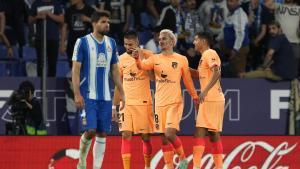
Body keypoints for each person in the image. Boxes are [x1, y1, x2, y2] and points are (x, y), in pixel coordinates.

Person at [133, 29, 199, 169]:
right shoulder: (155, 58)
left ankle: (183, 159)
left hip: (174, 102)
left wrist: (195, 97)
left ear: (171, 41)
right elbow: (142, 66)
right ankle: (169, 166)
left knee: (170, 133)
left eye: (163, 39)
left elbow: (187, 80)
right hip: (159, 104)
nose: (160, 41)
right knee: (163, 138)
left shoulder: (181, 59)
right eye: (160, 39)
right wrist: (137, 58)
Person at [72, 11, 125, 169]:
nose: (107, 24)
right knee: (91, 130)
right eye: (103, 21)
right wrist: (76, 93)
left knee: (102, 132)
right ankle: (81, 161)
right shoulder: (82, 42)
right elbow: (75, 69)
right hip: (88, 94)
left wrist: (122, 91)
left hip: (106, 96)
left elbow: (115, 70)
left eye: (108, 22)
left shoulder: (112, 43)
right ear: (94, 23)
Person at [113, 31, 155, 169]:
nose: (127, 47)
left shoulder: (148, 55)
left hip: (143, 103)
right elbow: (118, 85)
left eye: (130, 44)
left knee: (145, 138)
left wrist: (141, 60)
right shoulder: (121, 59)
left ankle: (147, 166)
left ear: (137, 42)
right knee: (125, 135)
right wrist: (114, 107)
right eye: (125, 44)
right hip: (126, 104)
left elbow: (154, 78)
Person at [189, 32, 225, 169]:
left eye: (196, 39)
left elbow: (217, 73)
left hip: (211, 98)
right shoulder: (204, 57)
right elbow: (201, 75)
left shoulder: (209, 53)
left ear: (203, 41)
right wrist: (185, 69)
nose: (193, 42)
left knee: (199, 131)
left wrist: (204, 91)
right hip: (214, 98)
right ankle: (219, 166)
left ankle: (196, 166)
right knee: (213, 133)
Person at [61, 0, 95, 68]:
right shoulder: (69, 10)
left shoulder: (90, 10)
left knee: (86, 68)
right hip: (72, 44)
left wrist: (88, 19)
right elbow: (64, 27)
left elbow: (99, 25)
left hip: (86, 44)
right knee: (73, 67)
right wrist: (62, 44)